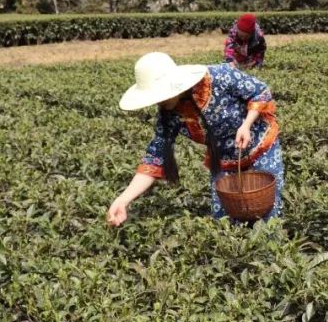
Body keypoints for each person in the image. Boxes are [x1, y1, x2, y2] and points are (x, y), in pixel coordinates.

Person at [107, 52, 284, 225]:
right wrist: (123, 200)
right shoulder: (169, 114)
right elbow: (155, 157)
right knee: (224, 219)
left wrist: (246, 124)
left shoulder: (220, 76)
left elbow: (260, 92)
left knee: (268, 211)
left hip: (261, 146)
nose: (158, 102)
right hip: (223, 159)